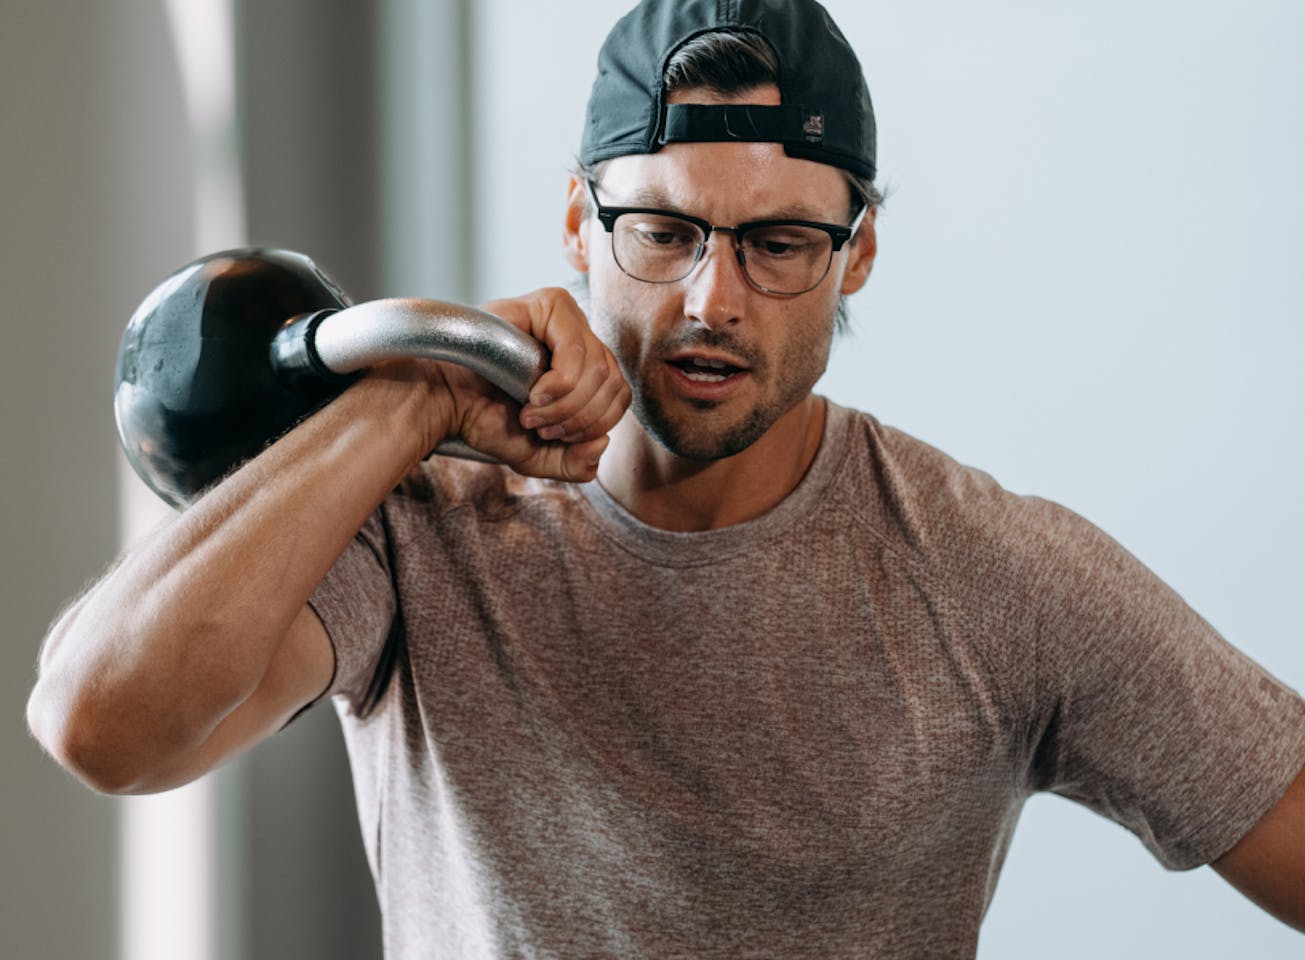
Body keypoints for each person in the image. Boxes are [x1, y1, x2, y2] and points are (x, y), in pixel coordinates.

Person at [27, 0, 1305, 956]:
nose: (712, 299)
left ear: (856, 257)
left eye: (780, 243)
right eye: (665, 231)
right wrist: (409, 399)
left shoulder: (992, 576)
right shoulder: (423, 530)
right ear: (583, 224)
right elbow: (106, 729)